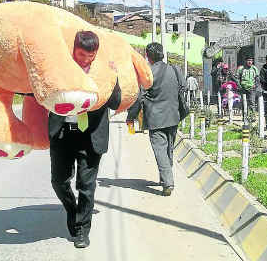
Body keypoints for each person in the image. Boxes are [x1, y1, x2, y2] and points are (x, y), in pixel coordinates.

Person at [48, 31, 121, 249]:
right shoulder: (61, 67)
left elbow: (116, 103)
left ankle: (82, 230)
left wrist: (113, 79)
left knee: (86, 186)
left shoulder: (104, 71)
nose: (86, 60)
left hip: (91, 134)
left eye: (91, 56)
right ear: (74, 49)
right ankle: (73, 211)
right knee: (58, 181)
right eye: (81, 54)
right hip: (63, 132)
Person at [126, 42, 186, 197]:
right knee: (169, 148)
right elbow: (183, 87)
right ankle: (165, 176)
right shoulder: (175, 69)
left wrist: (131, 117)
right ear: (162, 54)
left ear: (148, 56)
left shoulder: (148, 73)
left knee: (160, 149)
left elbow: (139, 98)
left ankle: (168, 182)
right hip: (173, 116)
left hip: (155, 118)